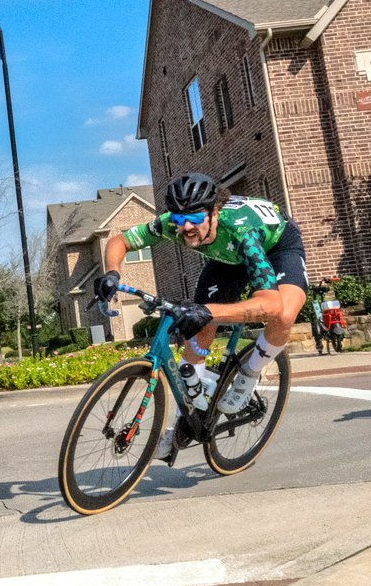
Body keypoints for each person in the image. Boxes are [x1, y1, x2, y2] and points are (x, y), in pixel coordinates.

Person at [94, 171, 307, 458]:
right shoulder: (174, 224)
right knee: (197, 327)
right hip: (226, 258)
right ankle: (186, 419)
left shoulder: (242, 231)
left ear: (214, 212)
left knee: (284, 314)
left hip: (275, 247)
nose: (186, 227)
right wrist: (112, 273)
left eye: (194, 218)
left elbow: (270, 305)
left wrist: (208, 311)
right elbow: (120, 241)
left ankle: (248, 374)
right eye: (179, 219)